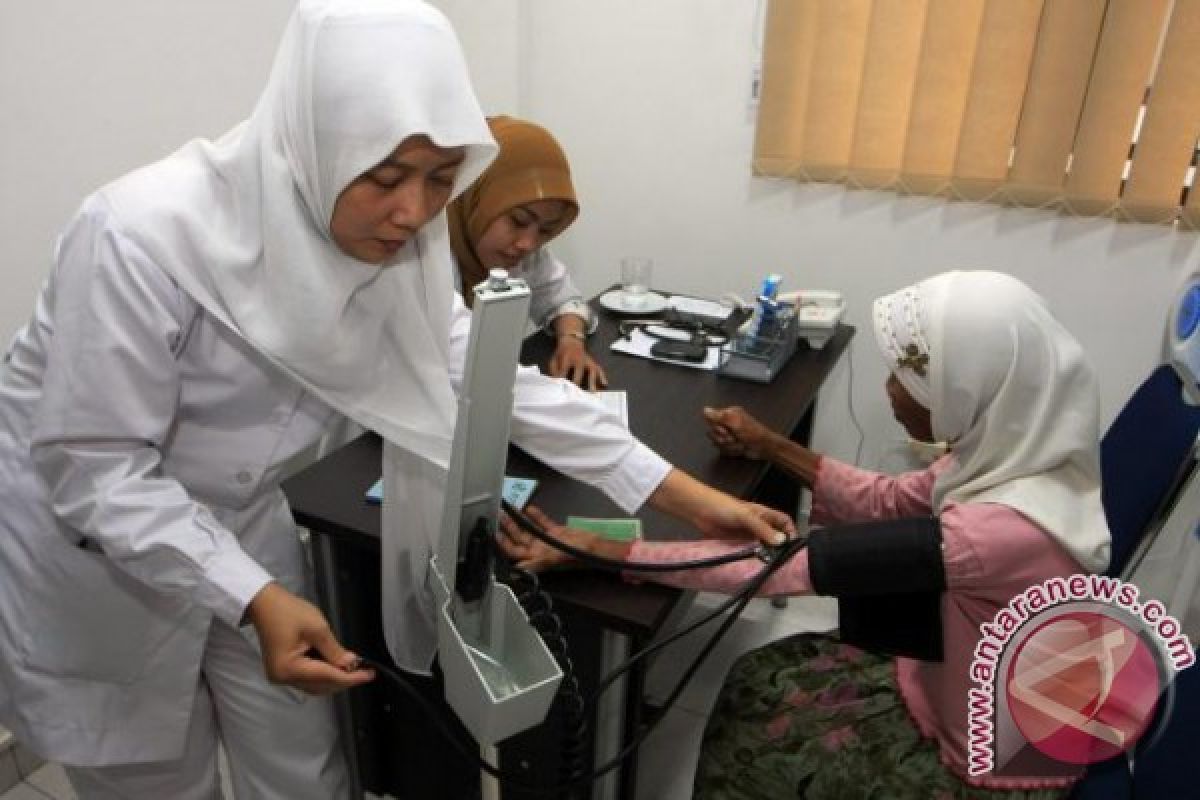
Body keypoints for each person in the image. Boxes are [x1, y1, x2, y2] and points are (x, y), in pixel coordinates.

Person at [0, 2, 792, 798]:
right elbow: (95, 464)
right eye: (384, 177)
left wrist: (683, 497)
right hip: (94, 545)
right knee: (155, 777)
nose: (414, 212)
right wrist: (251, 595)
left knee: (302, 755)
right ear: (317, 141)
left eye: (442, 180)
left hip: (241, 520)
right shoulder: (138, 236)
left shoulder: (403, 246)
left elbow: (488, 379)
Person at [500, 270, 1112, 798]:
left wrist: (593, 549)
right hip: (963, 686)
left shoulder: (995, 530)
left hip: (986, 769)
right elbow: (892, 500)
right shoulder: (1016, 455)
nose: (890, 391)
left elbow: (778, 568)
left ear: (969, 387)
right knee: (754, 676)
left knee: (752, 726)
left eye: (910, 379)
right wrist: (772, 447)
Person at [448, 115, 608, 390]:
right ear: (476, 195)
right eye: (518, 221)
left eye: (546, 230)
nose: (528, 244)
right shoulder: (421, 255)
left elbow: (563, 299)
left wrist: (571, 340)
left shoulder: (521, 254)